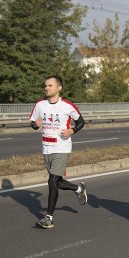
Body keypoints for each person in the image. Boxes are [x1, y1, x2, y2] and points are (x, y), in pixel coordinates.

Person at [30, 75, 88, 229]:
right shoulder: (40, 105)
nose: (46, 88)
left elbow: (81, 122)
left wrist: (72, 130)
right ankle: (79, 188)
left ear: (58, 88)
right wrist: (35, 125)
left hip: (62, 148)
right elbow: (33, 123)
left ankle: (49, 217)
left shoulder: (67, 106)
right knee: (58, 182)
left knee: (52, 181)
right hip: (46, 148)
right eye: (45, 86)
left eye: (50, 85)